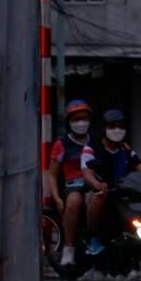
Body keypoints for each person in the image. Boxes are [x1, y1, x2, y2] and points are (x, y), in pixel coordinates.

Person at [80, 109, 141, 255]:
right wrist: (97, 184)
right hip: (100, 191)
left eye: (120, 127)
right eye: (112, 127)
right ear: (104, 129)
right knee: (98, 198)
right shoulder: (91, 148)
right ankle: (93, 238)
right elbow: (86, 172)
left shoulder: (126, 149)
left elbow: (140, 166)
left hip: (124, 191)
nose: (117, 130)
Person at [47, 99, 106, 267]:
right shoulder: (62, 144)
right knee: (74, 201)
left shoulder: (97, 141)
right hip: (73, 186)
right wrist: (57, 197)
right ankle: (68, 247)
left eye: (84, 118)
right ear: (69, 122)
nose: (81, 122)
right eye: (76, 119)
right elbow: (52, 174)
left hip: (94, 184)